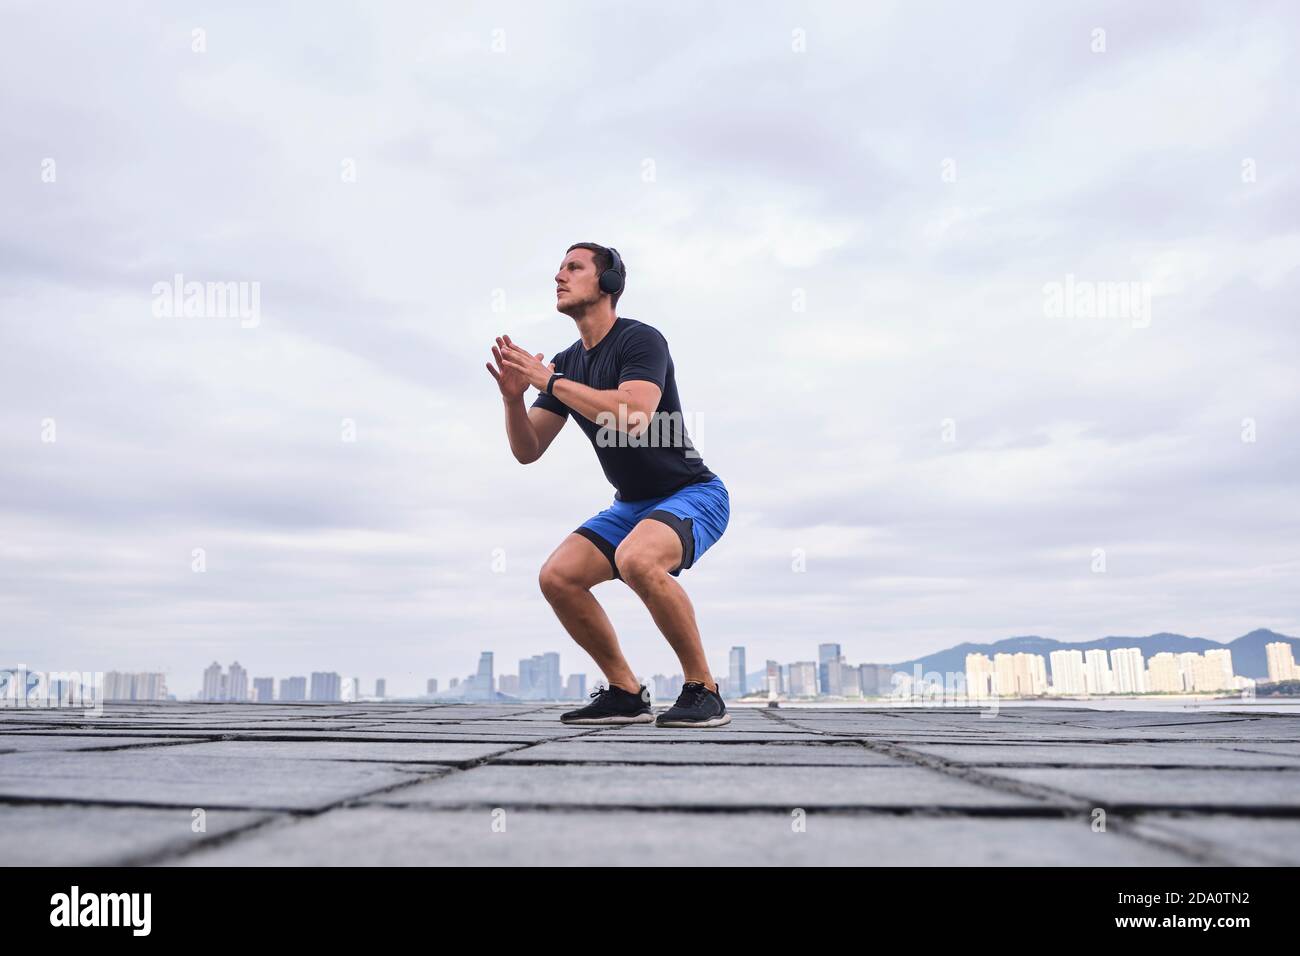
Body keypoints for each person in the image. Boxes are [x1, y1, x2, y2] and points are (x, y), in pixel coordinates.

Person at [486, 242, 731, 728]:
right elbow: (528, 449)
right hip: (631, 506)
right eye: (558, 269)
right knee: (558, 577)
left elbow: (635, 416)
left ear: (609, 283)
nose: (559, 276)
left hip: (693, 494)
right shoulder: (565, 363)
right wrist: (515, 400)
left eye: (573, 268)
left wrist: (548, 382)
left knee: (637, 558)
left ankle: (704, 689)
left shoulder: (641, 341)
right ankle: (624, 692)